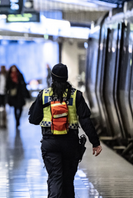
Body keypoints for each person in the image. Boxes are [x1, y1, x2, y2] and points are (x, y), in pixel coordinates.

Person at [28, 63, 102, 198]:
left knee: (55, 177)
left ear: (52, 78)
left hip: (50, 142)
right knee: (68, 180)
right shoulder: (76, 95)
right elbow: (85, 121)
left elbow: (33, 119)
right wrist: (95, 143)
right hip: (70, 143)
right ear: (66, 77)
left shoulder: (43, 95)